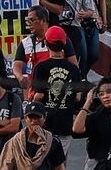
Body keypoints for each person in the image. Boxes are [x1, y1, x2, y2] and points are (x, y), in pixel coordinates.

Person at [31, 26, 82, 157]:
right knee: (61, 162)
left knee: (43, 160)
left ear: (46, 43)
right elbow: (77, 97)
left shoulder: (41, 67)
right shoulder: (74, 69)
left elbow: (39, 95)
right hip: (65, 125)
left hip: (45, 125)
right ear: (64, 44)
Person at [12, 6, 77, 99]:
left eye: (32, 20)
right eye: (28, 20)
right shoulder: (25, 43)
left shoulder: (61, 38)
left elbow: (73, 65)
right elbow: (16, 65)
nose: (28, 24)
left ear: (43, 21)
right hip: (35, 95)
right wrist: (20, 77)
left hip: (59, 94)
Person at [0, 101, 67, 170]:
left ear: (44, 118)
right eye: (31, 117)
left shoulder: (53, 141)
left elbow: (59, 167)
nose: (34, 121)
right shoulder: (15, 142)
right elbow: (5, 166)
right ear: (26, 118)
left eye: (37, 117)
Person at [58, 0, 97, 77]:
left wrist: (85, 14)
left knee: (80, 57)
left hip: (74, 28)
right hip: (57, 27)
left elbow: (91, 10)